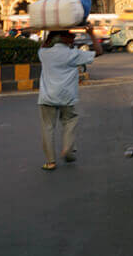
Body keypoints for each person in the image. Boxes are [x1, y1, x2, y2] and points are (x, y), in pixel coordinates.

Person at [37, 25, 101, 171]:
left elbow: (43, 45)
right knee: (69, 122)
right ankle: (67, 149)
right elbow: (99, 51)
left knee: (47, 128)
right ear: (65, 38)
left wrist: (49, 32)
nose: (73, 38)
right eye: (70, 36)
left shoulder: (44, 53)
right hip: (67, 96)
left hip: (47, 97)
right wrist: (91, 33)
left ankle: (50, 161)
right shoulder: (73, 54)